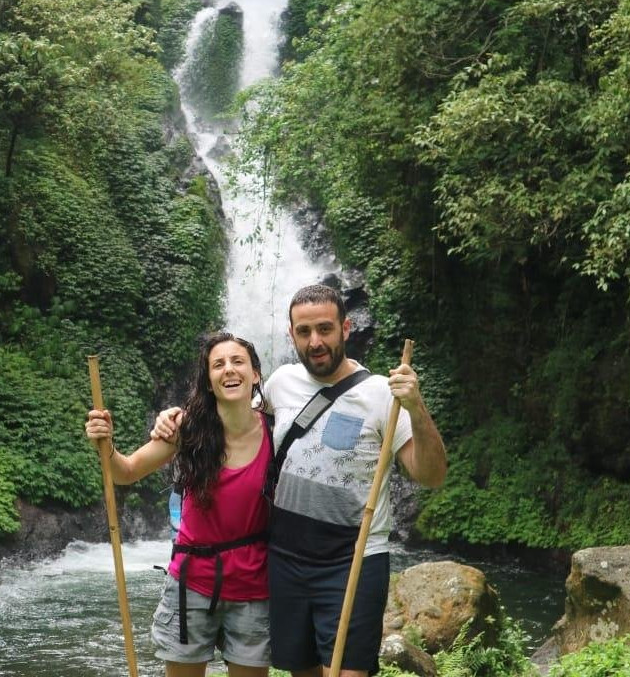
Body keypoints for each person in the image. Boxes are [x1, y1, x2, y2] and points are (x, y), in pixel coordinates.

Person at [153, 284, 447, 677]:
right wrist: (176, 417)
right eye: (304, 332)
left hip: (353, 557)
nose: (316, 341)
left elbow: (431, 474)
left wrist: (416, 405)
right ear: (290, 334)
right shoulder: (279, 384)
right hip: (286, 556)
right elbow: (229, 418)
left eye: (325, 329)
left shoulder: (381, 395)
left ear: (347, 327)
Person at [86, 332, 273, 677]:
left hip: (252, 587)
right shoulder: (188, 429)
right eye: (218, 364)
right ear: (209, 381)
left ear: (256, 374)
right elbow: (125, 472)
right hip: (192, 584)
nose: (229, 370)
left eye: (237, 362)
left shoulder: (277, 429)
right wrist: (106, 443)